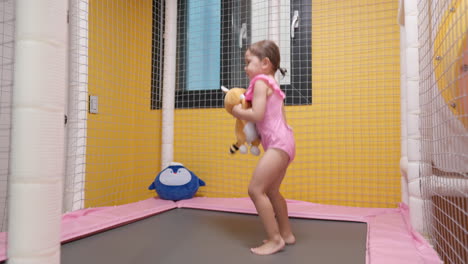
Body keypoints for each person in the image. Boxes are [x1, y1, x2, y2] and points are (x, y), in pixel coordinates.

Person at [231, 40, 296, 255]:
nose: (245, 67)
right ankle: (286, 233)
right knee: (272, 190)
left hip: (278, 145)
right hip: (286, 142)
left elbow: (257, 115)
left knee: (255, 190)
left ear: (265, 63)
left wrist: (236, 112)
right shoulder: (272, 84)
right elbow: (272, 119)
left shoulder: (260, 82)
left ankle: (275, 239)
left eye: (249, 62)